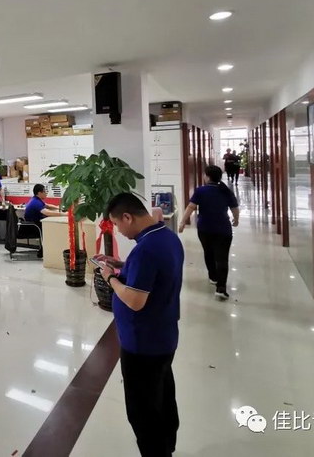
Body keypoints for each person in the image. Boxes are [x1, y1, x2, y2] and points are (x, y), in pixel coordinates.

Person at [99, 193, 183, 457]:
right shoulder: (167, 237)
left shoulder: (145, 249)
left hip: (142, 343)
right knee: (163, 397)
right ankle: (167, 446)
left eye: (117, 224)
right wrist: (122, 266)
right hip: (164, 336)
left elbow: (135, 301)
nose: (118, 231)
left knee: (143, 411)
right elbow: (153, 274)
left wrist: (111, 278)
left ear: (128, 217)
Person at [179, 165, 239, 301]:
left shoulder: (201, 191)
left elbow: (191, 207)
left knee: (208, 252)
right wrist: (236, 219)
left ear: (207, 176)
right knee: (222, 258)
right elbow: (234, 208)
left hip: (205, 228)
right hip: (223, 229)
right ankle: (221, 288)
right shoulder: (225, 190)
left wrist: (182, 222)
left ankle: (213, 276)